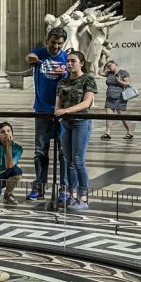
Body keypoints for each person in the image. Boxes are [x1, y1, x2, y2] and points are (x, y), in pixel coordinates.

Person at [25, 27, 69, 201]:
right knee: (40, 151)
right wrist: (32, 58)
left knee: (64, 152)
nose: (56, 47)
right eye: (53, 42)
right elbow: (29, 57)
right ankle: (40, 187)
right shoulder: (40, 53)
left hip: (63, 112)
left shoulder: (66, 58)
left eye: (60, 43)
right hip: (42, 110)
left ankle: (64, 188)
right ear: (47, 40)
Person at [54, 50, 96, 210]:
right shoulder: (63, 81)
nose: (69, 64)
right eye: (68, 61)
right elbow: (57, 102)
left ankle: (83, 196)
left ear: (82, 63)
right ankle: (73, 195)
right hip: (66, 123)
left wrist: (66, 110)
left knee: (78, 160)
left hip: (81, 122)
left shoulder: (88, 79)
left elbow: (86, 103)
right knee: (68, 161)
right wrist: (58, 111)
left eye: (73, 61)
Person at [100, 60, 133, 140]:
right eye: (108, 66)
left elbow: (128, 83)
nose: (109, 68)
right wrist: (104, 63)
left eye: (110, 65)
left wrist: (119, 81)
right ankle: (107, 133)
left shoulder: (123, 72)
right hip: (109, 98)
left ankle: (130, 131)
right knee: (108, 116)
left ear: (115, 64)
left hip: (120, 98)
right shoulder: (109, 73)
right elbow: (100, 73)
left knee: (122, 116)